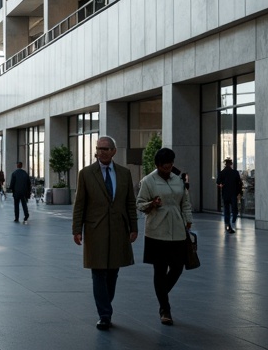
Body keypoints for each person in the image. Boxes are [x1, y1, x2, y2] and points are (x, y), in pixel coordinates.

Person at [72, 136, 138, 331]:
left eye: (105, 149)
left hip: (119, 229)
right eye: (99, 149)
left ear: (114, 151)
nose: (101, 152)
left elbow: (130, 203)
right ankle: (104, 314)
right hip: (95, 229)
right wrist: (77, 229)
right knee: (98, 271)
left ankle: (105, 304)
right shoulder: (86, 174)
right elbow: (80, 204)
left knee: (113, 272)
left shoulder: (124, 174)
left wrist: (134, 227)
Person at [137, 147, 193, 326]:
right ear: (158, 165)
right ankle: (165, 309)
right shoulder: (148, 181)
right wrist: (152, 203)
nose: (168, 167)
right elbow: (139, 204)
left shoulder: (178, 180)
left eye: (170, 163)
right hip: (156, 231)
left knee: (177, 267)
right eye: (164, 165)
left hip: (177, 230)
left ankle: (161, 292)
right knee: (160, 270)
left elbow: (185, 202)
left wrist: (188, 220)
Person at [217, 158, 242, 233]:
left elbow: (218, 182)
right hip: (233, 193)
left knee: (226, 210)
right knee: (234, 209)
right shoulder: (235, 172)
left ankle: (227, 223)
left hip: (225, 194)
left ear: (225, 164)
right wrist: (238, 192)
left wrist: (222, 185)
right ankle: (233, 222)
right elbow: (239, 183)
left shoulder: (222, 173)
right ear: (231, 164)